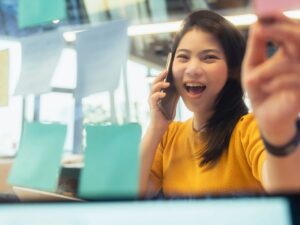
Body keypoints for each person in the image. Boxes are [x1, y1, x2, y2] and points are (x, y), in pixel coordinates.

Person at [139, 9, 300, 197]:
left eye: (209, 57)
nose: (192, 69)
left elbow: (286, 187)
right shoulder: (168, 136)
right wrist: (156, 127)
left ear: (233, 71)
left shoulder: (249, 130)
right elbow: (134, 194)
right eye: (183, 57)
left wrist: (278, 133)